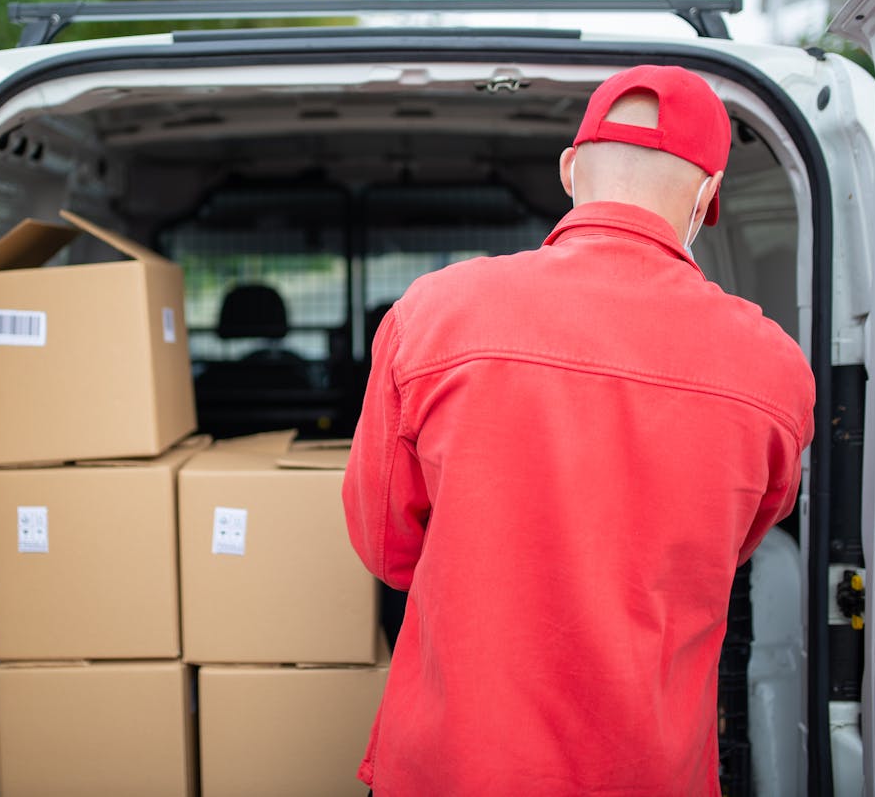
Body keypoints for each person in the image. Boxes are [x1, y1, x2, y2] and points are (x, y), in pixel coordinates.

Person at [343, 65, 815, 795]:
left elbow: (386, 547)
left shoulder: (433, 315)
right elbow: (737, 544)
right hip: (646, 772)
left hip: (455, 767)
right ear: (707, 196)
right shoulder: (775, 369)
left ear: (569, 169)